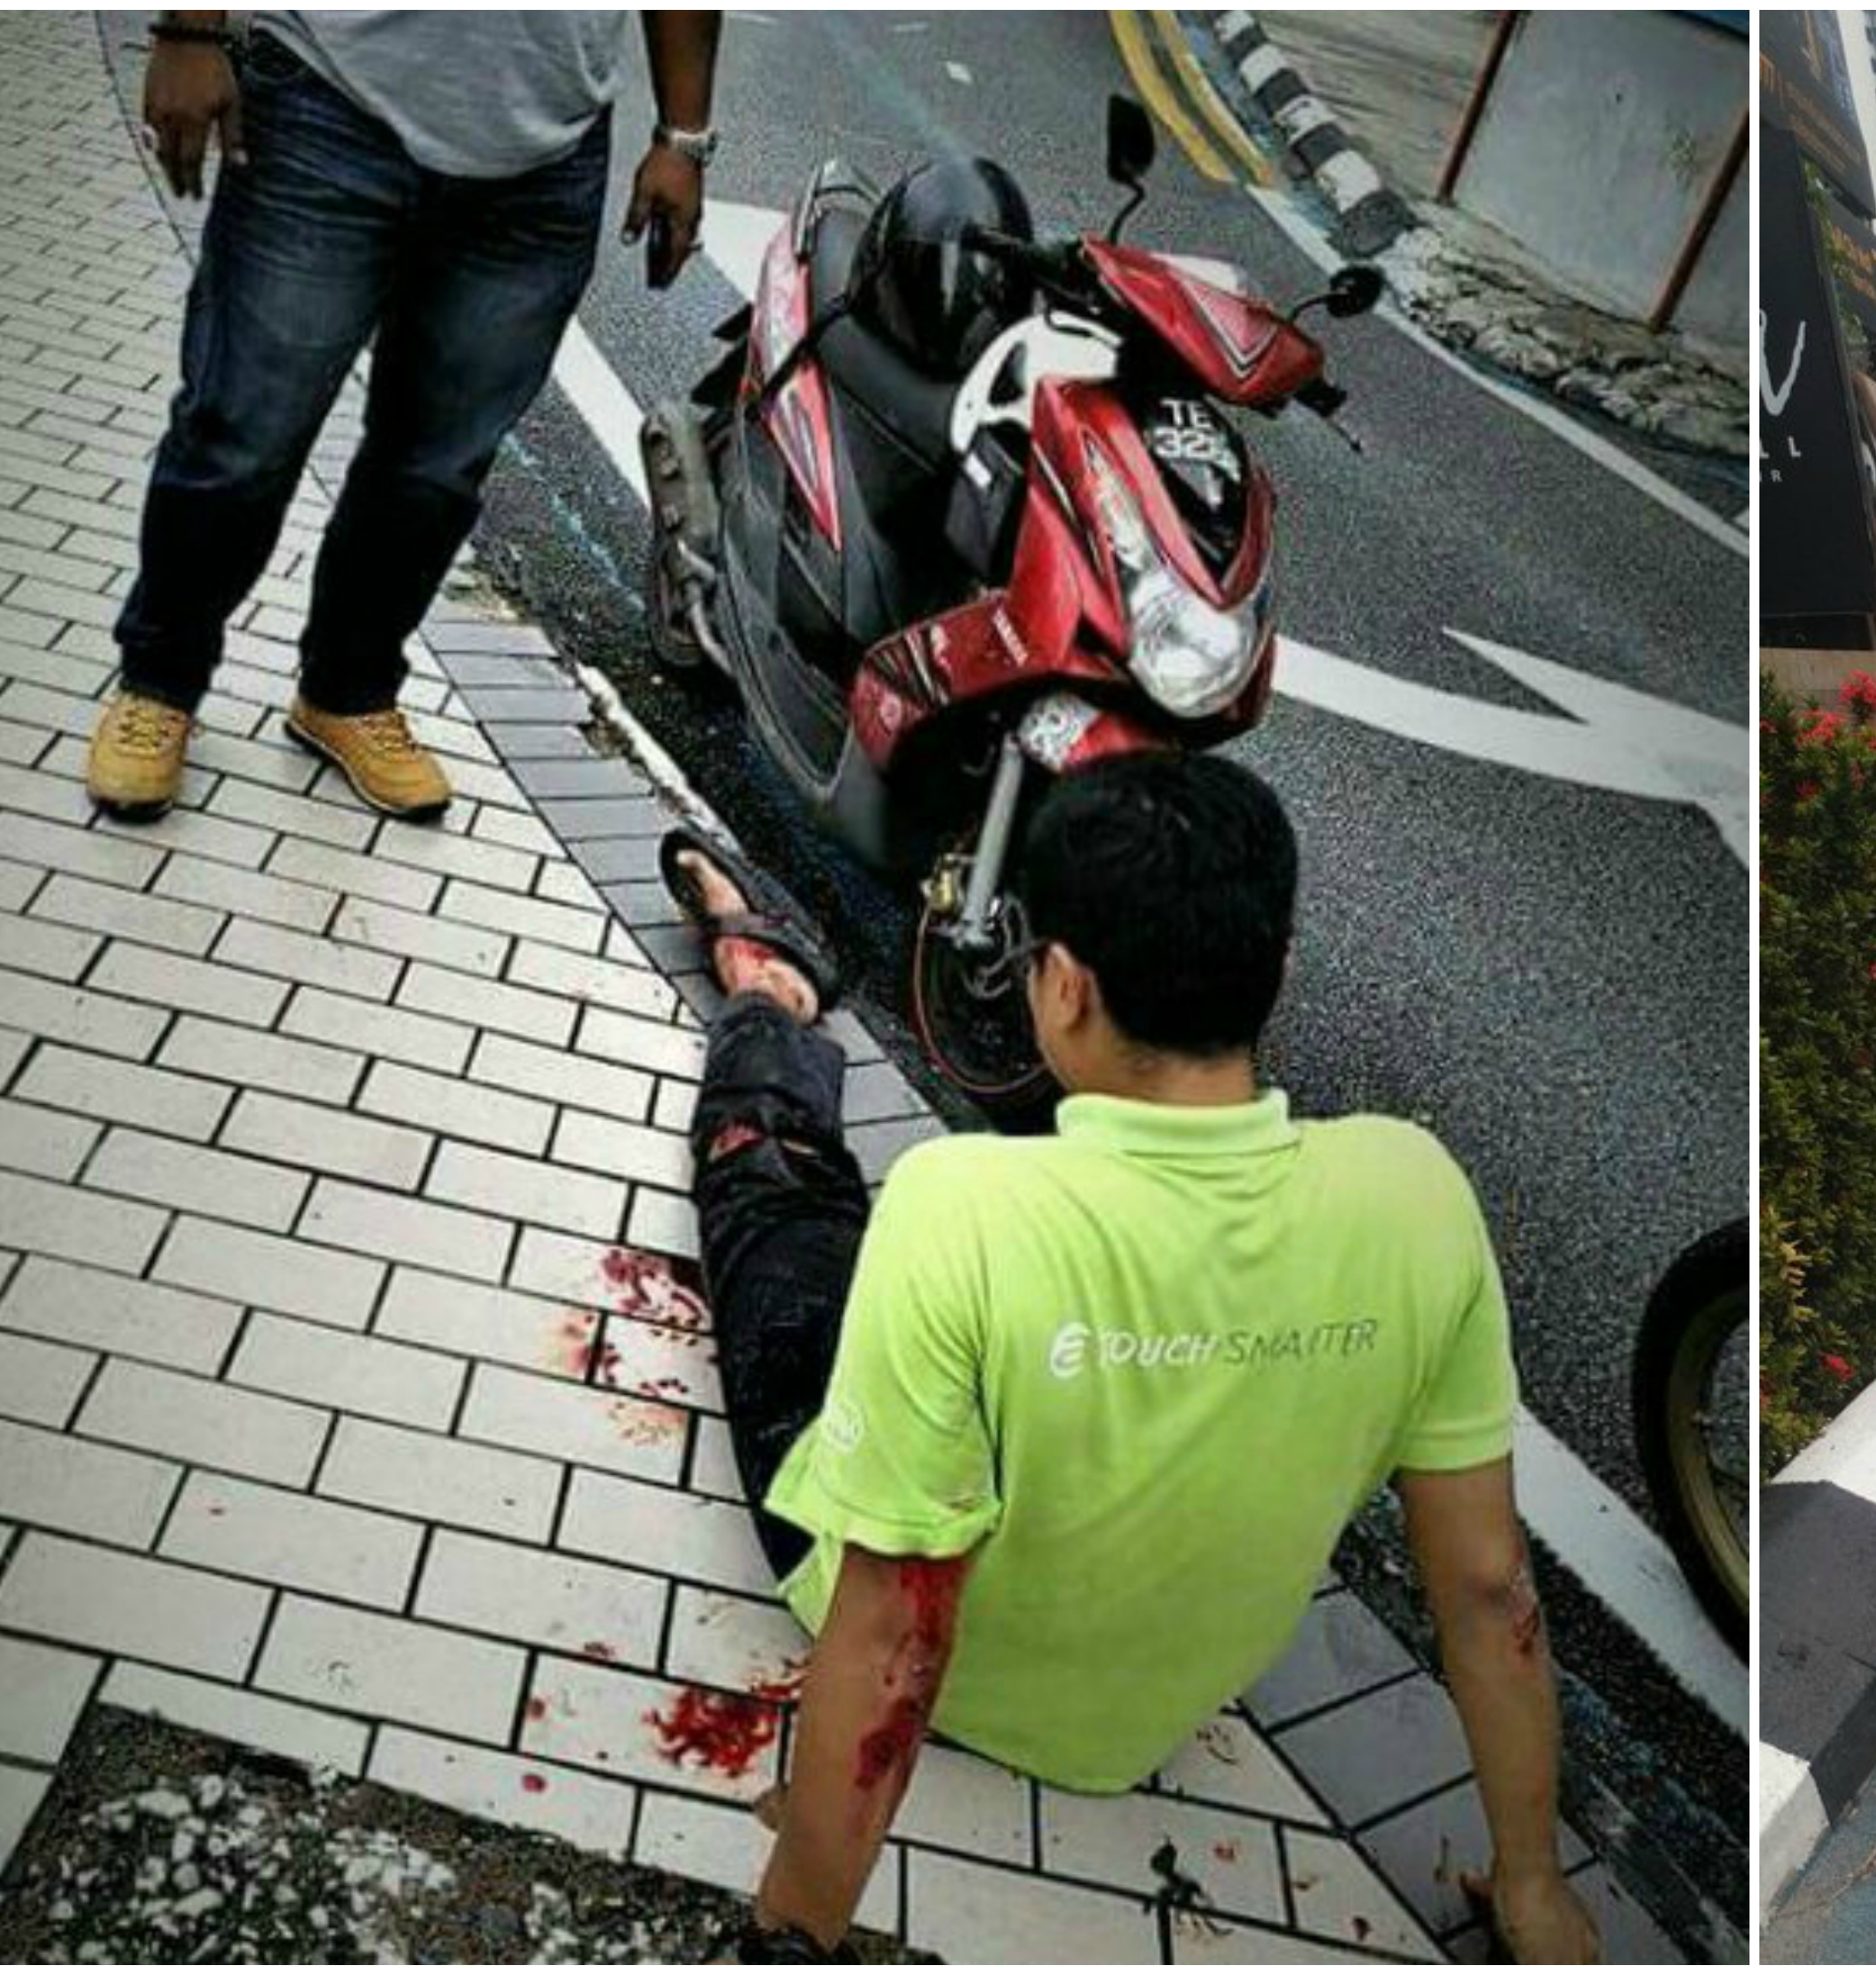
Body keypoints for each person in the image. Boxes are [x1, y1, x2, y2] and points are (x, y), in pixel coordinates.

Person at [659, 754, 1596, 1964]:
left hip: (933, 1641)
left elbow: (894, 1635)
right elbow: (1487, 1587)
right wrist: (1534, 1885)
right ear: (1277, 970)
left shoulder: (963, 1204)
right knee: (883, 1280)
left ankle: (764, 1002)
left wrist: (790, 1943)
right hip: (1142, 1719)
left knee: (773, 1193)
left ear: (1059, 986)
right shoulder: (1415, 1194)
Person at [87, 10, 722, 825]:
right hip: (327, 102)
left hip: (544, 157)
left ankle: (346, 691)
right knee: (244, 431)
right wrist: (189, 30)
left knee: (435, 465)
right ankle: (160, 681)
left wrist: (684, 135)